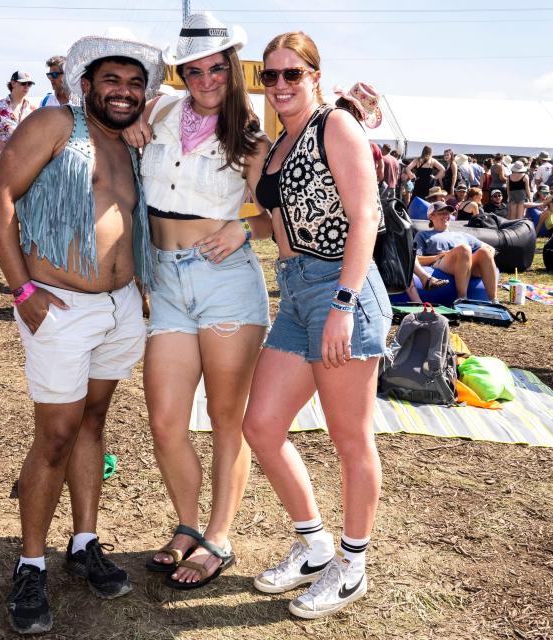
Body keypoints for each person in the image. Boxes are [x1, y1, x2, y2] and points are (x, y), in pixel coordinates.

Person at [0, 35, 163, 634]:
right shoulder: (56, 124)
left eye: (135, 85)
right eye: (113, 81)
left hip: (118, 307)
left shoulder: (133, 145)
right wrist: (21, 288)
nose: (124, 93)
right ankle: (30, 562)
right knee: (56, 434)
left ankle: (83, 542)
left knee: (92, 423)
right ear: (87, 84)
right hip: (58, 306)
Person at [240, 31, 391, 619]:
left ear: (314, 76)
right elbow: (275, 222)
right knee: (262, 425)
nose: (279, 85)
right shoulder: (278, 143)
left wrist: (344, 305)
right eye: (270, 76)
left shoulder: (336, 126)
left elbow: (365, 216)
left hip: (340, 288)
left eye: (291, 74)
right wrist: (235, 229)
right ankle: (316, 545)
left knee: (349, 438)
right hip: (297, 288)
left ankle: (352, 564)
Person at [119, 12, 272, 590]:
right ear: (182, 71)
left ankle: (218, 538)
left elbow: (280, 220)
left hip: (224, 281)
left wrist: (245, 229)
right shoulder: (156, 110)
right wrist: (131, 131)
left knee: (227, 420)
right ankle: (185, 523)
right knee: (164, 421)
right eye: (196, 69)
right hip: (166, 281)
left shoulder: (253, 140)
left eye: (217, 68)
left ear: (232, 68)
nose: (207, 78)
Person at [416, 201, 498, 302]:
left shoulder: (461, 234)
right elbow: (416, 260)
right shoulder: (423, 235)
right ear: (431, 216)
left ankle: (494, 300)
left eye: (447, 213)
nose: (446, 215)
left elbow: (491, 249)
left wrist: (486, 260)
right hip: (442, 262)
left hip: (466, 264)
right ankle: (462, 298)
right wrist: (436, 257)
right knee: (464, 249)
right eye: (441, 213)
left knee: (485, 251)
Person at [0, 71, 35, 150]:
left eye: (29, 84)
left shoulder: (33, 109)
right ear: (13, 83)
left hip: (28, 158)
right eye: (23, 83)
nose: (27, 86)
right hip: (5, 159)